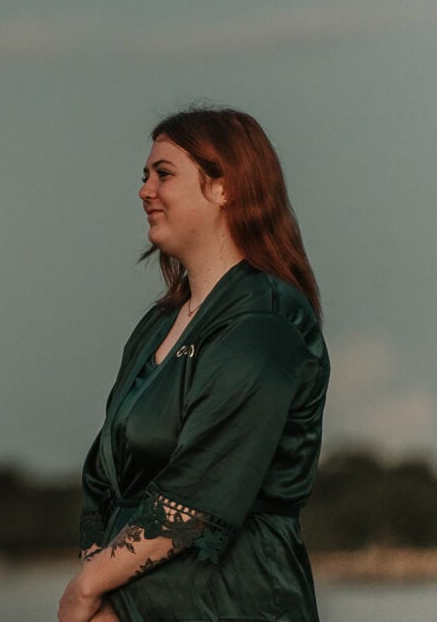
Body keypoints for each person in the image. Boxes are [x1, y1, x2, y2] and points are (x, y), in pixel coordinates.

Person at [59, 108, 329, 621]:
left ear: (223, 188)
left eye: (164, 174)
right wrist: (105, 590)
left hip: (233, 599)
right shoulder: (158, 326)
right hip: (141, 597)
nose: (145, 190)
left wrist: (89, 588)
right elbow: (105, 474)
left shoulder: (265, 322)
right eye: (144, 176)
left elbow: (201, 491)